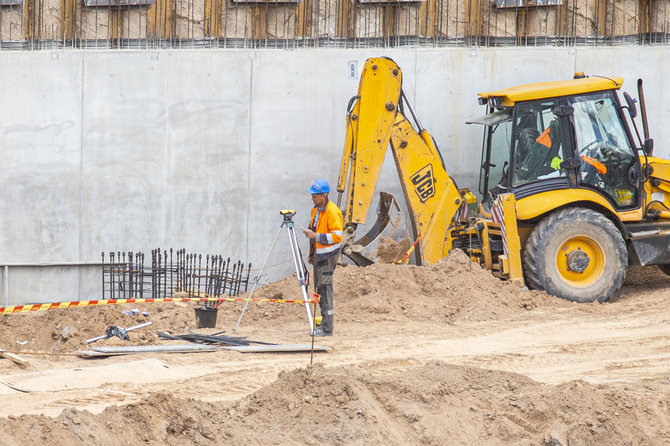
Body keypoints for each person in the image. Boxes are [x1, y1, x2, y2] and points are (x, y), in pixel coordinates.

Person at [301, 179, 343, 337]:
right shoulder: (316, 210)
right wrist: (312, 253)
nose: (312, 198)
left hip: (328, 256)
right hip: (319, 254)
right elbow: (314, 233)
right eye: (312, 195)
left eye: (315, 195)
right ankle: (324, 323)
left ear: (324, 195)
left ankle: (327, 328)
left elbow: (338, 236)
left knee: (325, 290)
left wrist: (316, 236)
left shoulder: (332, 211)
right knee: (319, 289)